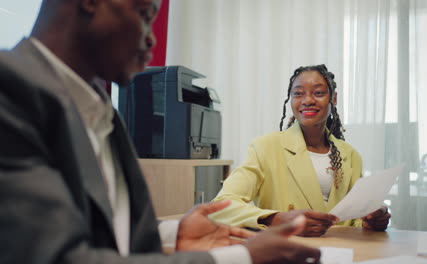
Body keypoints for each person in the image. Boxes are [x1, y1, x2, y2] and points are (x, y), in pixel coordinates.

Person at [0, 0, 322, 263]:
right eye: (144, 15)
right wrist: (238, 258)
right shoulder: (9, 90)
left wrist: (171, 232)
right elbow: (54, 256)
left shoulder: (100, 114)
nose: (152, 38)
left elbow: (103, 224)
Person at [211, 65, 391, 236]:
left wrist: (371, 221)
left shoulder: (350, 155)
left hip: (341, 254)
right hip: (288, 251)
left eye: (318, 93)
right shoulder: (265, 147)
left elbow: (353, 221)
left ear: (333, 99)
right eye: (298, 93)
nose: (308, 100)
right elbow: (221, 207)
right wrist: (276, 218)